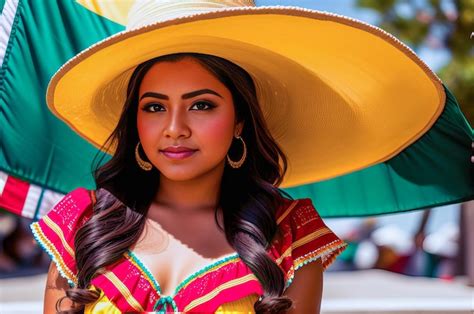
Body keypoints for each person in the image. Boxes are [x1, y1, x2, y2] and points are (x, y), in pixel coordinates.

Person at [29, 1, 459, 313]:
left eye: (201, 105)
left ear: (240, 122)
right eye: (154, 107)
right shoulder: (81, 226)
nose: (175, 127)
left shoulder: (291, 238)